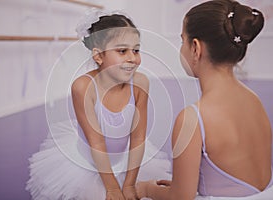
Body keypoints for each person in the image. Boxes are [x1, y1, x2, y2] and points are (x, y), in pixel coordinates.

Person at [26, 9, 171, 200]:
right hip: (90, 163)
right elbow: (97, 142)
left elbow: (137, 138)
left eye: (136, 50)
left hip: (126, 161)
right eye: (122, 51)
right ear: (98, 56)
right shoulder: (83, 87)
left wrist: (128, 184)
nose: (132, 58)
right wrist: (112, 188)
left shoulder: (140, 83)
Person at [136, 0, 273, 199]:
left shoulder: (192, 119)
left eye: (182, 40)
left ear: (195, 48)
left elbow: (181, 197)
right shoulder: (254, 100)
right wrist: (183, 183)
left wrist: (146, 189)